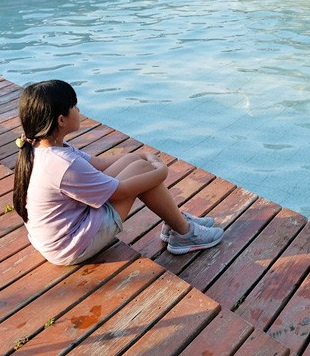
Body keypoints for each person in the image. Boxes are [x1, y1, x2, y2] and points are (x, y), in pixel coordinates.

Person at [12, 80, 223, 266]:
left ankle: (175, 221)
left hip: (58, 235)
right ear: (61, 120)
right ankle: (183, 232)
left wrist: (140, 155)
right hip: (71, 246)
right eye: (74, 106)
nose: (78, 110)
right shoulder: (62, 165)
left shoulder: (45, 148)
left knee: (136, 163)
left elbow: (99, 163)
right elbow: (121, 192)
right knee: (144, 173)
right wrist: (162, 170)